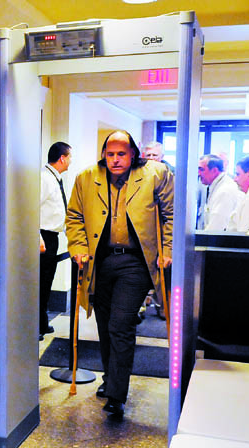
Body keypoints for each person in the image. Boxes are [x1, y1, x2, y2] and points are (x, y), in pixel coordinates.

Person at [65, 131, 173, 417]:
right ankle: (110, 379)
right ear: (103, 154)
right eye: (110, 154)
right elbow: (74, 216)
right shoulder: (87, 177)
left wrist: (168, 249)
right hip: (99, 262)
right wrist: (78, 246)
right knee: (104, 325)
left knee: (120, 324)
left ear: (133, 154)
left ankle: (116, 394)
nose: (115, 159)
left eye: (121, 154)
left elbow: (170, 214)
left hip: (135, 262)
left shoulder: (155, 174)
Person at [40, 141, 72, 340]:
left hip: (52, 237)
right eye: (69, 157)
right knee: (41, 283)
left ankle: (42, 323)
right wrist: (37, 237)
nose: (70, 161)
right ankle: (36, 326)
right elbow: (29, 208)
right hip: (44, 238)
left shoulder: (54, 178)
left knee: (46, 282)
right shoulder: (44, 179)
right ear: (62, 158)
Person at [198, 154, 244, 231]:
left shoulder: (224, 191)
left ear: (214, 171)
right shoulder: (218, 185)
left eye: (201, 169)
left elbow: (215, 228)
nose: (199, 173)